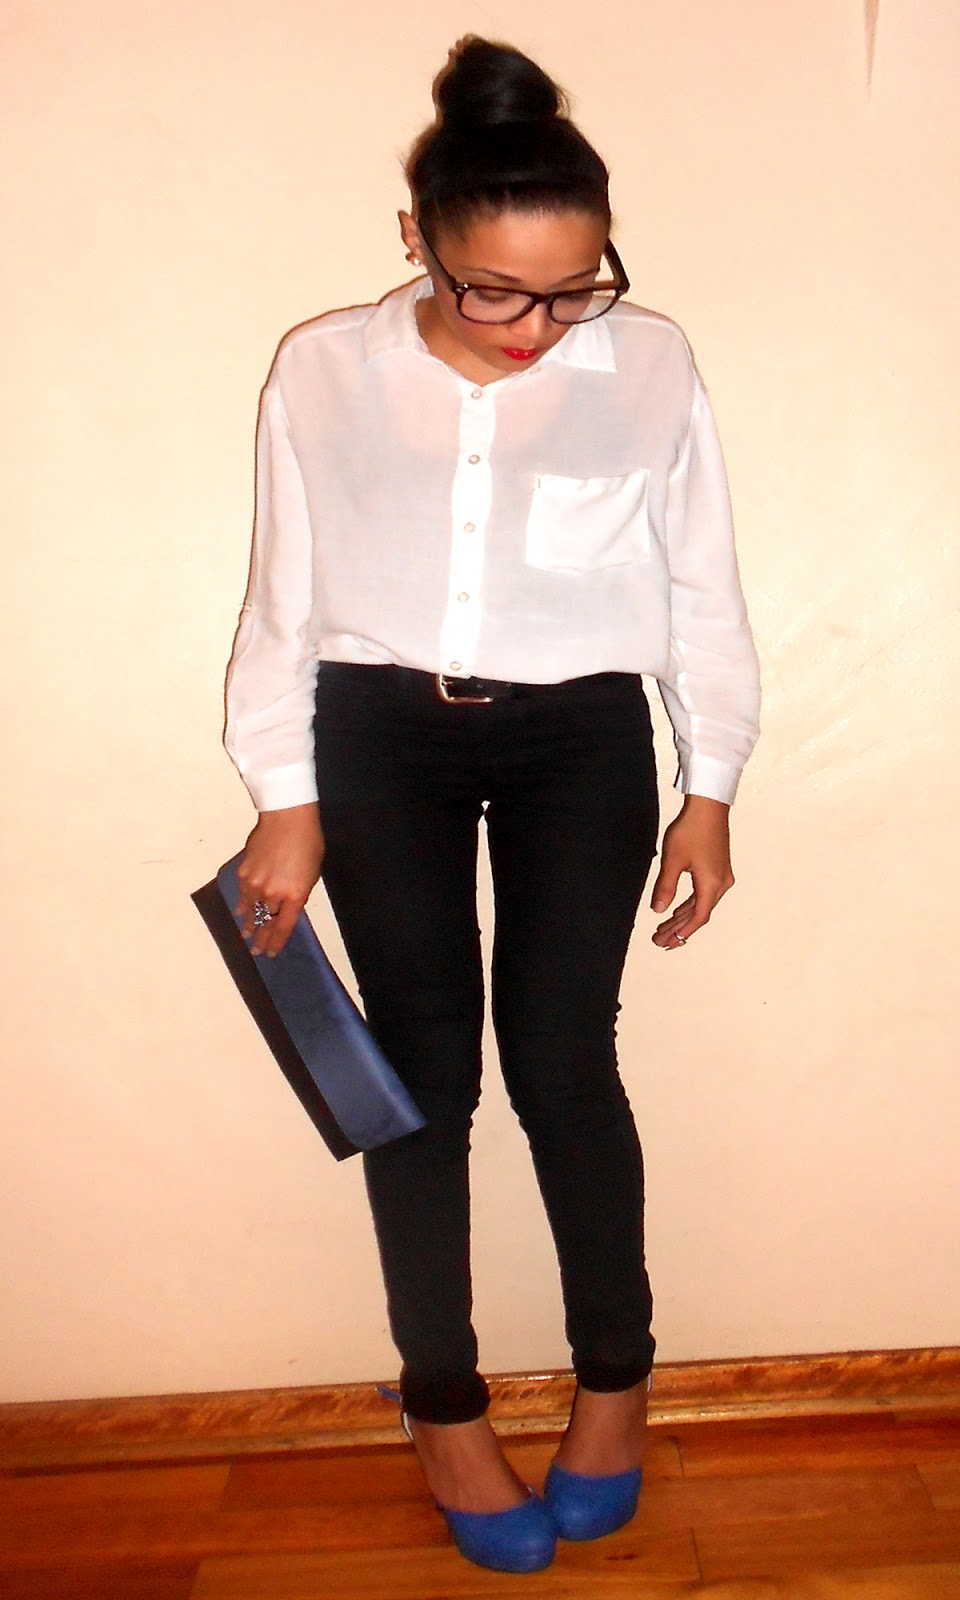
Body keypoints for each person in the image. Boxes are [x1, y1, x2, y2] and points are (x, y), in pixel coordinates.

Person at [223, 36, 760, 1575]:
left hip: (580, 739)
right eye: (496, 292)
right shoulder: (323, 369)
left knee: (565, 1064)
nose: (538, 327)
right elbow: (282, 599)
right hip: (376, 733)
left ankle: (618, 1385)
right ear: (419, 242)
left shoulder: (648, 364)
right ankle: (445, 1409)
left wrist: (711, 783)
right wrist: (285, 796)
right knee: (420, 1081)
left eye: (573, 287)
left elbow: (701, 586)